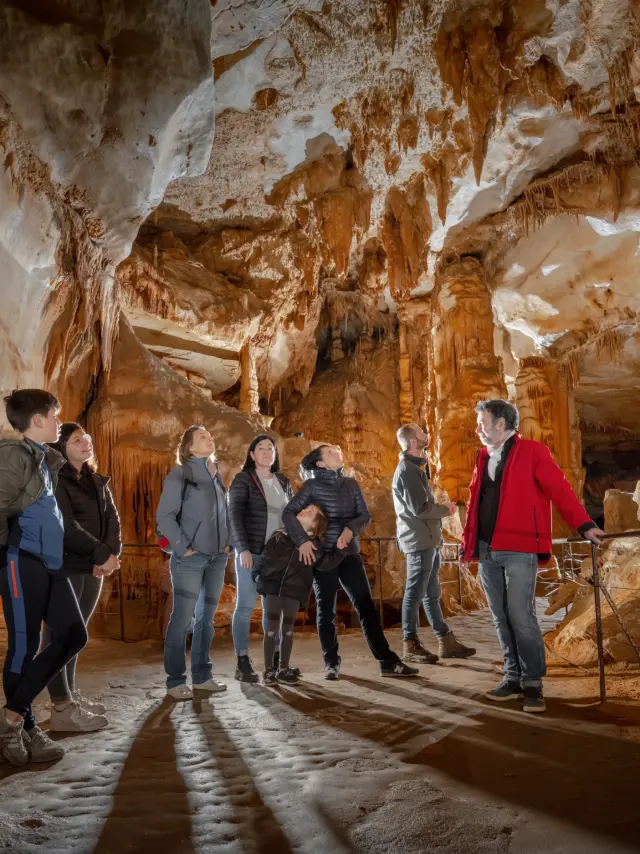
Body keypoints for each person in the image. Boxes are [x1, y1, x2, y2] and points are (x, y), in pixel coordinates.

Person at [461, 399, 605, 714]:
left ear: (501, 423)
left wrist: (583, 525)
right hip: (486, 549)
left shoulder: (533, 452)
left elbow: (559, 489)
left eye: (482, 422)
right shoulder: (482, 456)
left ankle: (533, 683)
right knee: (500, 615)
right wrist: (466, 542)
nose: (478, 428)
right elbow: (475, 504)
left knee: (521, 615)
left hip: (519, 546)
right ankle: (512, 676)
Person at [0, 390, 88, 767]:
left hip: (50, 563)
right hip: (22, 559)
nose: (58, 421)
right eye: (55, 415)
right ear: (37, 420)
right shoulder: (14, 455)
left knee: (74, 635)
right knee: (24, 645)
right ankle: (25, 728)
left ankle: (11, 719)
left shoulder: (42, 459)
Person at [282, 444, 418, 680]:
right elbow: (288, 513)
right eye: (330, 452)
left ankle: (387, 661)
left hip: (349, 554)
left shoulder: (351, 484)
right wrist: (303, 541)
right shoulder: (311, 487)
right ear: (320, 463)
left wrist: (349, 529)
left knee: (365, 607)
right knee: (326, 611)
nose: (337, 452)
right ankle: (331, 662)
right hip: (324, 557)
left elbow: (364, 515)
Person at [42, 422, 121, 733]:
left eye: (86, 437)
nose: (86, 442)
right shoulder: (56, 479)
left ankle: (71, 694)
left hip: (93, 568)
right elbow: (66, 524)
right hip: (67, 565)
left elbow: (112, 519)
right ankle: (60, 706)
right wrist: (100, 555)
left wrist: (111, 554)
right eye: (77, 440)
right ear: (62, 447)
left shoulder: (97, 480)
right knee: (59, 637)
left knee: (77, 634)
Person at [156, 425, 230, 700]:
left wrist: (229, 543)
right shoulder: (181, 475)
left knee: (206, 620)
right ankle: (175, 680)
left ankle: (202, 677)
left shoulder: (215, 474)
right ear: (189, 447)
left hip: (217, 557)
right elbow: (165, 515)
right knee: (182, 619)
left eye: (210, 435)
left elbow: (224, 513)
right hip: (190, 559)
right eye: (202, 437)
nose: (209, 439)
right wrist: (182, 547)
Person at [393, 423, 476, 664]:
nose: (426, 435)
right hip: (419, 541)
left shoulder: (415, 469)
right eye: (421, 433)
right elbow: (420, 508)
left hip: (427, 540)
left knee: (431, 593)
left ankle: (445, 640)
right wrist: (445, 510)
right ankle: (410, 644)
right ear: (412, 441)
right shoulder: (407, 471)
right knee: (414, 593)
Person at [227, 435, 293, 683]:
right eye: (261, 448)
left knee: (272, 610)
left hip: (277, 555)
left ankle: (273, 662)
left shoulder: (283, 481)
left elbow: (292, 516)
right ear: (252, 455)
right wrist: (242, 548)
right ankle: (242, 661)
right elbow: (234, 515)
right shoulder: (243, 479)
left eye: (271, 448)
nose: (267, 452)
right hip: (252, 552)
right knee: (245, 607)